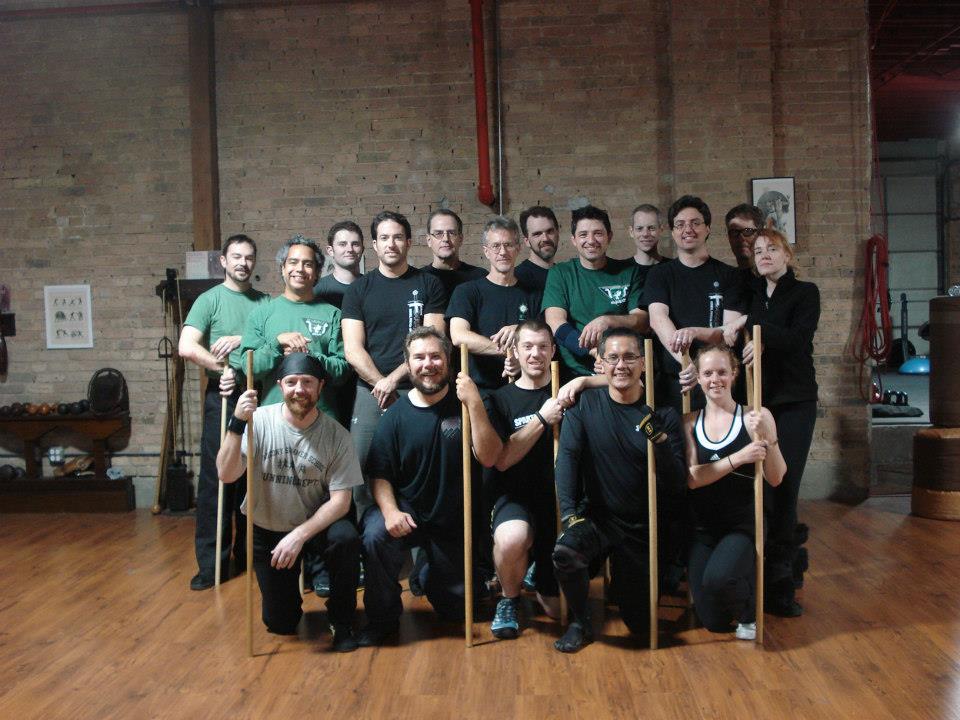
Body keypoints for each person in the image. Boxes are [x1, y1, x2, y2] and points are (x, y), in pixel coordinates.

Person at [358, 327, 502, 646]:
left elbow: (491, 457)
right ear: (408, 365)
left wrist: (475, 403)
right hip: (407, 511)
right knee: (375, 534)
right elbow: (379, 474)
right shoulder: (394, 416)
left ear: (448, 361)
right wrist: (391, 510)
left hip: (454, 519)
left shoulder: (469, 404)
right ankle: (382, 619)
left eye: (435, 356)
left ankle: (427, 575)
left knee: (457, 610)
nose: (428, 364)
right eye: (419, 357)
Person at [216, 353, 364, 652]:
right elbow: (226, 474)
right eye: (292, 382)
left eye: (307, 382)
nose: (299, 389)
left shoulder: (337, 435)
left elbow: (341, 503)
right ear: (281, 385)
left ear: (320, 386)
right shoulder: (258, 422)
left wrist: (298, 535)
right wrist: (235, 423)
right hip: (269, 526)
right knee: (281, 624)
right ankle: (286, 601)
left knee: (345, 538)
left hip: (316, 524)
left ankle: (342, 618)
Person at [552, 328, 685, 653]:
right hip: (597, 519)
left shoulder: (663, 413)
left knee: (639, 624)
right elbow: (567, 459)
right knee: (566, 553)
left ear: (643, 362)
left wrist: (662, 443)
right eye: (612, 357)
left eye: (629, 357)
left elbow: (677, 483)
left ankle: (632, 586)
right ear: (601, 363)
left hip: (642, 528)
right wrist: (569, 514)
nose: (621, 365)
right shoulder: (584, 406)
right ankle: (580, 623)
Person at [723, 227, 819, 616]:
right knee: (757, 489)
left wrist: (757, 332)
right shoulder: (753, 296)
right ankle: (756, 576)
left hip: (794, 401)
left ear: (787, 255)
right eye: (758, 251)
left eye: (772, 249)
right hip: (759, 402)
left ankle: (781, 585)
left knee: (785, 487)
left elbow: (799, 338)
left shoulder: (805, 292)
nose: (763, 255)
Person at [341, 211, 447, 519]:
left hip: (419, 390)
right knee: (360, 469)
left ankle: (420, 555)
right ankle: (369, 554)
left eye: (398, 237)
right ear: (374, 244)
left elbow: (434, 340)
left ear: (409, 242)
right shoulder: (359, 290)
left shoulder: (429, 284)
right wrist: (379, 382)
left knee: (420, 468)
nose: (392, 244)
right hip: (370, 392)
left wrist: (394, 379)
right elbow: (352, 349)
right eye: (384, 238)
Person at [178, 234, 269, 591]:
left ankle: (250, 557)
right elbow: (187, 346)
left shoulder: (264, 302)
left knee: (255, 477)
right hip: (225, 393)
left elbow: (271, 342)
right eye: (236, 257)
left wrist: (240, 339)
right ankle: (212, 565)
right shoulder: (209, 300)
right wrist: (222, 367)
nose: (243, 263)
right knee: (218, 480)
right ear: (223, 261)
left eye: (249, 257)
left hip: (260, 392)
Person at [683, 344, 785, 640]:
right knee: (713, 622)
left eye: (722, 372)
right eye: (708, 373)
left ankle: (748, 610)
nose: (715, 379)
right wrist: (740, 457)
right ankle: (737, 581)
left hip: (743, 525)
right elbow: (692, 479)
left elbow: (776, 478)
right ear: (699, 378)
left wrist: (769, 437)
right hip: (703, 529)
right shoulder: (689, 421)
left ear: (734, 374)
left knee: (718, 579)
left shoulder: (755, 416)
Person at [483, 319, 565, 638]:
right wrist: (543, 418)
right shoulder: (499, 399)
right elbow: (501, 460)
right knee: (512, 539)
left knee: (558, 612)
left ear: (553, 351)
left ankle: (535, 573)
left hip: (557, 499)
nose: (535, 354)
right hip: (514, 496)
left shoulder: (566, 391)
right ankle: (510, 598)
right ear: (514, 352)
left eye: (543, 347)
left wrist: (584, 385)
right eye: (527, 347)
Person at [226, 235, 349, 421]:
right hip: (273, 419)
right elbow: (249, 369)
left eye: (308, 264)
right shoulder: (261, 315)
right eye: (293, 262)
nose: (299, 269)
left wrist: (310, 357)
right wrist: (276, 345)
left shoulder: (332, 315)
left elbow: (342, 372)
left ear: (317, 273)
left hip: (322, 420)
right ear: (283, 268)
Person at [643, 195, 744, 412]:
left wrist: (701, 368)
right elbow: (658, 318)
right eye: (680, 225)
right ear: (672, 232)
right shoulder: (659, 274)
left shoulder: (730, 276)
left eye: (695, 223)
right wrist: (686, 363)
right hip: (676, 380)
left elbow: (728, 332)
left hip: (717, 381)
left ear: (707, 228)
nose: (687, 229)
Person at [542, 205, 648, 383]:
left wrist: (608, 321)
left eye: (598, 233)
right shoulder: (560, 273)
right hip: (575, 374)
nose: (591, 240)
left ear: (609, 236)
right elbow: (555, 323)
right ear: (574, 240)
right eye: (583, 234)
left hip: (624, 373)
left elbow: (642, 321)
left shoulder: (630, 272)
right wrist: (594, 352)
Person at [448, 216, 540, 392]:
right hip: (480, 391)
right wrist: (509, 352)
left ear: (518, 248)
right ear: (486, 251)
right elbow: (459, 336)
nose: (503, 252)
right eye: (496, 246)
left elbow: (545, 337)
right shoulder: (467, 292)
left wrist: (520, 330)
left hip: (524, 389)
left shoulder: (534, 295)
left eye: (509, 245)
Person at [421, 209, 486, 300]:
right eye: (438, 233)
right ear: (428, 240)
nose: (445, 239)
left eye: (451, 233)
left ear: (461, 239)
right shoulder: (418, 280)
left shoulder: (480, 278)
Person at [313, 220, 364, 309]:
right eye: (342, 244)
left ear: (362, 249)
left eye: (355, 244)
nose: (350, 249)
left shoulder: (374, 287)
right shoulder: (317, 290)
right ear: (330, 251)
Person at [515, 206, 560, 292]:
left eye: (550, 231)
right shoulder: (516, 279)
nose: (545, 238)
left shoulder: (564, 276)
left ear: (557, 234)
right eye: (537, 234)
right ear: (527, 241)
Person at [629, 203, 664, 284]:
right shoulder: (621, 270)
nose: (645, 234)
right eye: (639, 228)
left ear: (661, 230)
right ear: (631, 232)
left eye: (651, 228)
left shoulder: (673, 269)